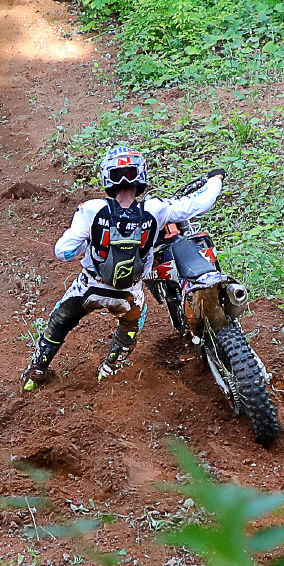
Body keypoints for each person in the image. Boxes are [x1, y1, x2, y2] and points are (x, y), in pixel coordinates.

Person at [24, 146, 223, 388]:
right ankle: (109, 371)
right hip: (128, 295)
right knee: (132, 325)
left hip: (88, 287)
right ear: (141, 176)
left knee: (59, 321)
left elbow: (62, 252)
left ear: (108, 178)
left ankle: (36, 372)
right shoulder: (155, 210)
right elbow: (201, 203)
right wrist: (215, 179)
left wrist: (88, 245)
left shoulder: (92, 210)